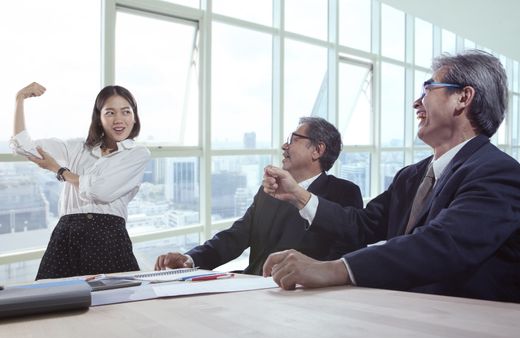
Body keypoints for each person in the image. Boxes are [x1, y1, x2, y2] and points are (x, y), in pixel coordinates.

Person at [262, 50, 520, 302]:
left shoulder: (498, 173)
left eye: (428, 89)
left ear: (463, 97)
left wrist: (332, 269)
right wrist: (298, 195)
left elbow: (442, 244)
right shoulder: (411, 176)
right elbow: (362, 226)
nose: (416, 103)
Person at [155, 117, 363, 275]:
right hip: (252, 290)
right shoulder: (271, 189)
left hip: (304, 299)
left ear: (317, 150)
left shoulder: (344, 193)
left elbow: (345, 259)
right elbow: (235, 236)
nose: (284, 146)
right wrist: (190, 259)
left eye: (293, 139)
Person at [11, 82, 151, 279]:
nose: (119, 119)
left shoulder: (137, 154)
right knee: (51, 303)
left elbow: (100, 191)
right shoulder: (77, 148)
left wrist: (59, 170)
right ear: (99, 118)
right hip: (65, 236)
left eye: (126, 112)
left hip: (109, 238)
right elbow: (23, 147)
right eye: (110, 113)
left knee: (115, 305)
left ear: (134, 117)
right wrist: (19, 99)